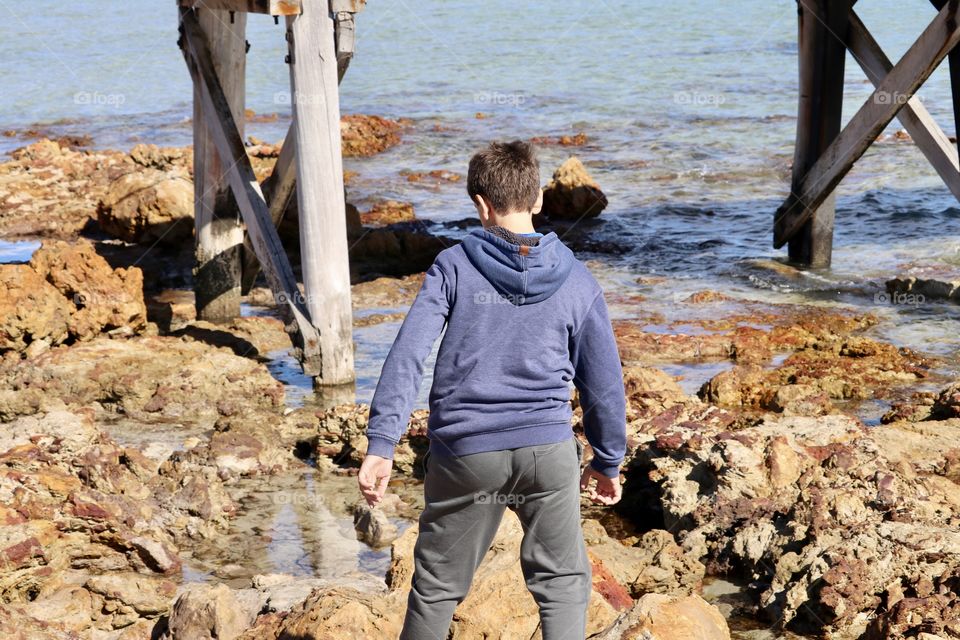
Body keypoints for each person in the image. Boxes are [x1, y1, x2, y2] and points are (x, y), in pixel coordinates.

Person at [357, 140, 627, 639]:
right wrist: (607, 460)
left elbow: (408, 354)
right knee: (564, 582)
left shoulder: (453, 267)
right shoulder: (578, 280)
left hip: (467, 453)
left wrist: (382, 443)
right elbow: (603, 383)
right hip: (547, 452)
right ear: (539, 200)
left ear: (481, 205)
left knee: (437, 587)